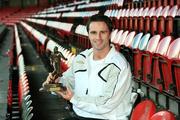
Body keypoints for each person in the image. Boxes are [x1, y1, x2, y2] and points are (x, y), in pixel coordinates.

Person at [42, 14, 134, 120]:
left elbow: (105, 104)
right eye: (93, 33)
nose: (98, 38)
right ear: (88, 34)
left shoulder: (118, 65)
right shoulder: (82, 58)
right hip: (79, 115)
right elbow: (68, 83)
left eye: (102, 32)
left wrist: (73, 98)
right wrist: (54, 83)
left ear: (110, 34)